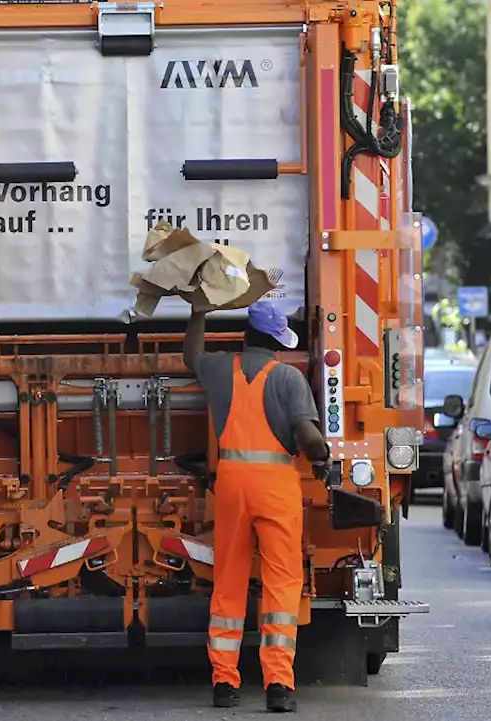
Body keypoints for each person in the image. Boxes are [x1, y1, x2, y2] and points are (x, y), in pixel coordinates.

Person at [183, 298, 331, 714]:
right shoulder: (287, 377)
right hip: (275, 486)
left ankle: (224, 684)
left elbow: (189, 355)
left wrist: (198, 312)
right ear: (275, 343)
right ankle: (278, 685)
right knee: (280, 582)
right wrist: (322, 455)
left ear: (245, 337)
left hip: (230, 483)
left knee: (228, 579)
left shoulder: (217, 369)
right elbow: (307, 434)